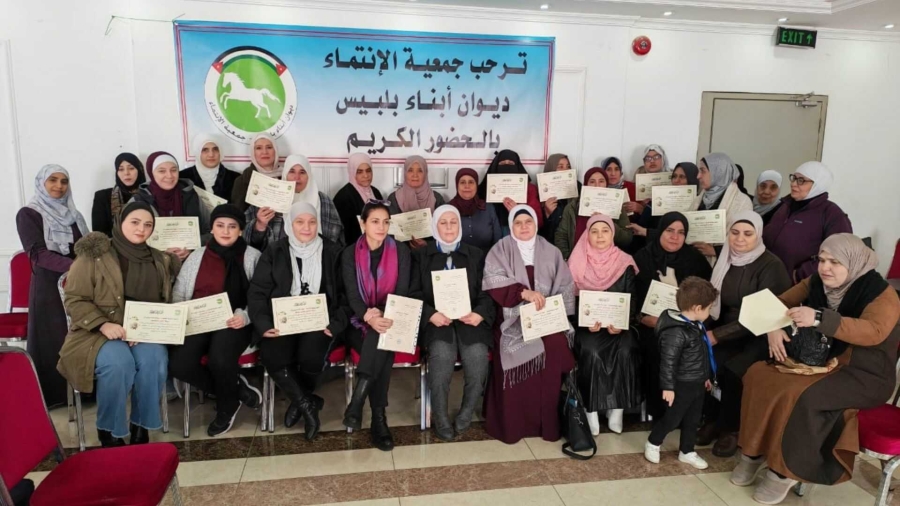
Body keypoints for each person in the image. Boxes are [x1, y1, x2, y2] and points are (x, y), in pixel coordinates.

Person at [732, 234, 900, 505]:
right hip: (821, 361)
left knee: (802, 395)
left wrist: (819, 318)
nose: (825, 268)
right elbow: (777, 303)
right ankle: (753, 453)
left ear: (854, 262)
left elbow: (873, 332)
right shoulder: (816, 282)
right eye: (821, 260)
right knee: (758, 375)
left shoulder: (882, 294)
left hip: (865, 374)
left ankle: (785, 472)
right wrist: (772, 327)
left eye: (835, 262)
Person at [57, 202, 180, 447]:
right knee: (118, 363)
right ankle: (109, 429)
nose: (141, 229)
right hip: (96, 333)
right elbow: (75, 299)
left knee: (154, 359)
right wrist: (103, 324)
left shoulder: (159, 260)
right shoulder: (94, 255)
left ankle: (140, 425)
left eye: (148, 225)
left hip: (140, 333)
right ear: (120, 222)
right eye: (135, 222)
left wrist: (145, 329)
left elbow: (161, 303)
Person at [248, 202, 350, 441]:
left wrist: (336, 323)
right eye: (300, 222)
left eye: (312, 222)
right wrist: (264, 324)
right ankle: (307, 403)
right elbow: (258, 292)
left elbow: (346, 294)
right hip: (282, 320)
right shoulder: (275, 251)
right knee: (273, 354)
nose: (306, 227)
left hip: (321, 321)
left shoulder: (333, 252)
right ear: (289, 224)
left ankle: (300, 401)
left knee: (311, 355)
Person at [697, 210, 791, 457]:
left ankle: (731, 429)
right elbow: (714, 302)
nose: (740, 239)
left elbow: (764, 313)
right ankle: (713, 419)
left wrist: (717, 335)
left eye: (748, 234)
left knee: (733, 369)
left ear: (758, 235)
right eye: (735, 232)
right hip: (729, 327)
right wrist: (700, 328)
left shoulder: (771, 265)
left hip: (762, 332)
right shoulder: (726, 259)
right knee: (706, 360)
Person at [482, 205, 576, 444]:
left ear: (536, 224)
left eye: (528, 222)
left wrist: (551, 312)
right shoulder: (499, 250)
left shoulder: (552, 252)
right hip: (512, 320)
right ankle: (514, 425)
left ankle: (548, 424)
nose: (524, 227)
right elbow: (493, 283)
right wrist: (523, 293)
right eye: (518, 223)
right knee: (515, 348)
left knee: (555, 345)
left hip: (546, 319)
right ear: (510, 226)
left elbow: (565, 287)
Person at [169, 204, 263, 437]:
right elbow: (179, 292)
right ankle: (237, 390)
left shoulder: (252, 256)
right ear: (211, 228)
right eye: (220, 225)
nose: (226, 231)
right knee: (179, 364)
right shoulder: (197, 256)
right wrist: (181, 314)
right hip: (198, 321)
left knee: (219, 359)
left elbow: (261, 296)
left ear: (240, 230)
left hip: (234, 322)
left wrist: (244, 316)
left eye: (232, 226)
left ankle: (227, 407)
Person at [411, 205, 494, 440]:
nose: (449, 227)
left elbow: (487, 292)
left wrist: (479, 314)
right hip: (437, 322)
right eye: (443, 223)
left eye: (453, 222)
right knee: (441, 356)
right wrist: (430, 314)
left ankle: (466, 412)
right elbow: (413, 293)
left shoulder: (476, 255)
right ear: (434, 226)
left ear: (460, 225)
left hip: (470, 320)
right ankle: (440, 416)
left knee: (478, 357)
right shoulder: (420, 256)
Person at [341, 200, 414, 451]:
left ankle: (357, 403)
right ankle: (378, 420)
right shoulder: (349, 253)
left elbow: (401, 292)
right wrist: (368, 316)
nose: (381, 227)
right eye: (375, 221)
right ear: (362, 224)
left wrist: (381, 315)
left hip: (392, 316)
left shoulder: (400, 251)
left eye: (385, 222)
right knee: (380, 342)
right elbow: (352, 296)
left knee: (379, 337)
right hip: (357, 320)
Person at [16, 165, 89, 408]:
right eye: (53, 180)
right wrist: (75, 266)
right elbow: (37, 253)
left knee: (79, 337)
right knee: (53, 340)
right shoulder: (28, 213)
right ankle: (53, 396)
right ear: (42, 183)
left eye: (64, 181)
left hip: (77, 285)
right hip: (48, 287)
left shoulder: (74, 215)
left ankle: (83, 393)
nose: (59, 186)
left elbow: (85, 247)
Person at [633, 212, 713, 419]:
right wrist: (642, 318)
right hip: (650, 323)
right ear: (660, 231)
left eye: (681, 232)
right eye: (669, 230)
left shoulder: (695, 261)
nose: (675, 237)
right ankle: (660, 412)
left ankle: (686, 412)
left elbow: (706, 298)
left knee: (690, 348)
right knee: (656, 348)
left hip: (688, 324)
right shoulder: (642, 258)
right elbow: (633, 297)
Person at [567, 214, 641, 435]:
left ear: (613, 234)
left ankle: (617, 408)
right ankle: (590, 408)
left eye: (605, 230)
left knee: (626, 349)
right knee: (591, 351)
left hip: (618, 328)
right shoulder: (576, 263)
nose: (600, 236)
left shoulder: (625, 262)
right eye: (594, 231)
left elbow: (632, 300)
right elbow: (569, 302)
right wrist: (584, 323)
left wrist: (622, 323)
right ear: (587, 235)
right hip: (587, 328)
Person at [644, 276, 718, 471]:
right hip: (681, 384)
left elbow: (700, 355)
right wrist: (668, 387)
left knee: (693, 420)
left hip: (697, 382)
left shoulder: (695, 325)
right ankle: (653, 442)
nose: (710, 312)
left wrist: (705, 377)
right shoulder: (676, 332)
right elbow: (668, 362)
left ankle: (687, 450)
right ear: (697, 308)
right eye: (709, 308)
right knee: (673, 418)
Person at [763, 162, 852, 284]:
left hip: (798, 285)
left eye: (801, 180)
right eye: (794, 178)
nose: (793, 183)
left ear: (818, 184)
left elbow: (841, 254)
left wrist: (801, 275)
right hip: (768, 278)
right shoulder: (785, 205)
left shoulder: (831, 214)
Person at [245, 154, 343, 251]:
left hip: (319, 257)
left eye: (302, 172)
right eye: (292, 171)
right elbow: (250, 243)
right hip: (277, 259)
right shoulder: (270, 198)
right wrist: (260, 225)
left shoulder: (323, 200)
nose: (297, 177)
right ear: (285, 174)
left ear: (309, 175)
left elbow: (337, 238)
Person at [131, 151, 209, 261]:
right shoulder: (138, 201)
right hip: (152, 264)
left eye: (173, 170)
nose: (169, 175)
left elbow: (210, 230)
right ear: (151, 173)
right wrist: (160, 254)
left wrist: (192, 247)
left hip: (190, 261)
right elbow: (129, 239)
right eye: (161, 171)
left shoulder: (191, 195)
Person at [554, 167, 633, 259]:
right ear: (586, 184)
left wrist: (609, 223)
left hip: (608, 262)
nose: (597, 185)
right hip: (577, 261)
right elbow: (561, 236)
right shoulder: (572, 207)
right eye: (592, 182)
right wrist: (568, 259)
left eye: (601, 181)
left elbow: (627, 239)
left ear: (606, 184)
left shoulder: (616, 206)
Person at [693, 153, 753, 259]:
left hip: (724, 262)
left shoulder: (742, 203)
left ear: (719, 172)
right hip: (697, 259)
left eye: (703, 171)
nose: (698, 176)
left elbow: (745, 240)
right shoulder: (701, 197)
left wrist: (715, 251)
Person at [629, 162, 701, 240]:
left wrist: (647, 232)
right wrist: (649, 206)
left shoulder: (700, 203)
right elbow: (643, 224)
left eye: (682, 177)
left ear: (692, 179)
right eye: (674, 176)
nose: (676, 180)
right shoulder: (661, 199)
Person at [478, 150, 543, 234]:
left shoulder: (529, 189)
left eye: (511, 163)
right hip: (490, 232)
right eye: (502, 164)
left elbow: (538, 221)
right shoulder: (484, 189)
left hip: (521, 233)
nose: (507, 166)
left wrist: (519, 211)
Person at [387, 155, 445, 250]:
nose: (415, 175)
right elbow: (390, 231)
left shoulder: (437, 198)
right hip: (401, 252)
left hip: (430, 252)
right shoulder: (394, 198)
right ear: (405, 173)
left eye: (420, 171)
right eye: (410, 170)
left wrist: (427, 244)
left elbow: (444, 229)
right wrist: (408, 245)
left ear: (425, 173)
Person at [333, 153, 384, 246]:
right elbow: (345, 233)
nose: (365, 175)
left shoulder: (375, 192)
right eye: (359, 172)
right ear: (352, 172)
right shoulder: (343, 197)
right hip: (355, 248)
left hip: (378, 244)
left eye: (368, 171)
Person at [92, 153, 146, 237]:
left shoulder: (149, 195)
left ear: (139, 170)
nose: (126, 173)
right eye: (121, 169)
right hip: (113, 244)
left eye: (131, 168)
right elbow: (99, 234)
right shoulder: (102, 197)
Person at [448, 168, 502, 252]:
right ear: (457, 185)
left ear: (476, 185)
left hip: (487, 257)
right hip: (456, 258)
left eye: (471, 182)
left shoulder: (488, 208)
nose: (467, 186)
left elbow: (497, 240)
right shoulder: (447, 209)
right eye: (462, 182)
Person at [180, 135, 239, 202]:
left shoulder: (236, 179)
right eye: (205, 150)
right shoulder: (183, 178)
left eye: (215, 149)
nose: (211, 154)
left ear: (220, 152)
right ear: (198, 153)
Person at [232, 133, 280, 211]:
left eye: (269, 147)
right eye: (259, 148)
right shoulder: (242, 181)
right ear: (253, 152)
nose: (264, 152)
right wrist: (256, 218)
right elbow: (237, 215)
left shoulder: (287, 177)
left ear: (275, 150)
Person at [539, 153, 579, 243]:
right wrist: (547, 214)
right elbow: (539, 233)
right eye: (560, 167)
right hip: (550, 245)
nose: (566, 170)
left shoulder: (578, 188)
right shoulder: (541, 193)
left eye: (568, 167)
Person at [624, 144, 670, 216]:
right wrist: (641, 206)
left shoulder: (673, 178)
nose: (652, 161)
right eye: (648, 158)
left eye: (656, 157)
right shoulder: (638, 178)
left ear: (663, 159)